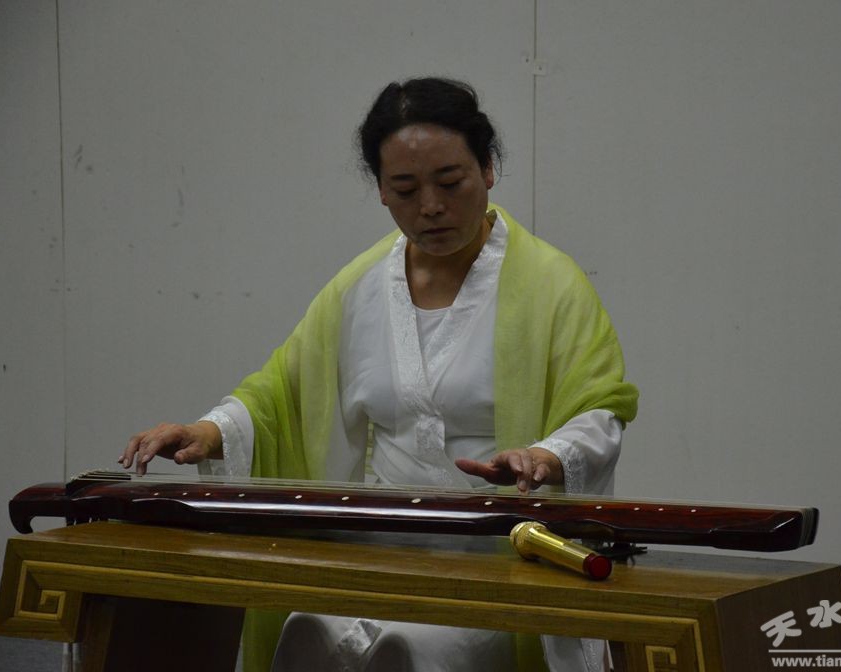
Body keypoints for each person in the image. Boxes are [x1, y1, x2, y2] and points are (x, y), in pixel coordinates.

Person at [120, 77, 638, 672]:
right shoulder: (357, 289)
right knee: (307, 632)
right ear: (382, 192)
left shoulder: (552, 286)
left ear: (488, 169)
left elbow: (600, 408)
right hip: (374, 552)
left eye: (450, 182)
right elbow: (281, 394)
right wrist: (209, 432)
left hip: (498, 555)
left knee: (411, 652)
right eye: (406, 189)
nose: (431, 206)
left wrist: (547, 456)